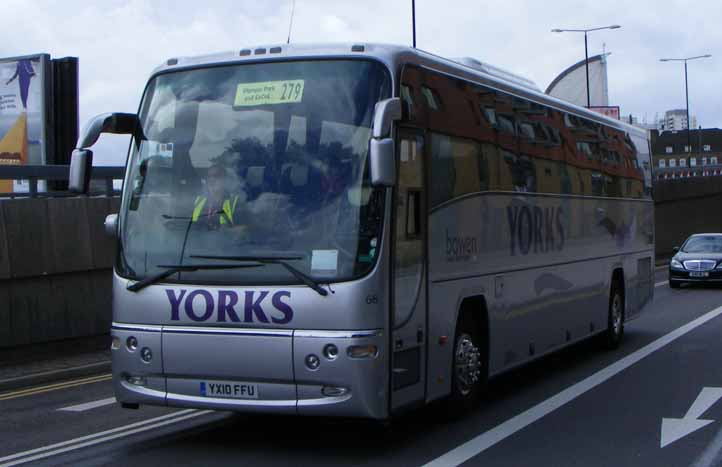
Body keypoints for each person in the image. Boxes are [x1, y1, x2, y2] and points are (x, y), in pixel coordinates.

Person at [191, 163, 242, 230]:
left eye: (217, 176)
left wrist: (227, 230)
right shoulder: (199, 200)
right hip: (198, 238)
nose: (212, 179)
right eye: (209, 176)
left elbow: (244, 228)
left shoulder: (235, 202)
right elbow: (191, 226)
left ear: (225, 179)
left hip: (226, 239)